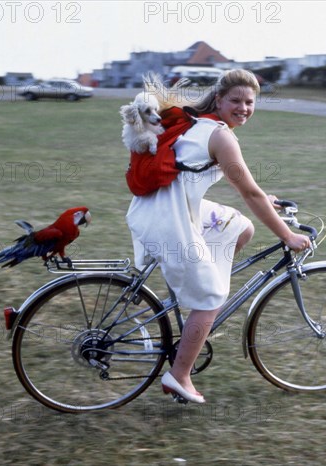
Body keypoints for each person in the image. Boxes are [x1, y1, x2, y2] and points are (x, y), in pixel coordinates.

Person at [126, 69, 310, 403]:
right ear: (220, 99)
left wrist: (263, 200)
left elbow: (247, 191)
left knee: (241, 226)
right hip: (169, 217)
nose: (243, 107)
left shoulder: (200, 124)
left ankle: (195, 294)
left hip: (158, 206)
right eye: (236, 100)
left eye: (249, 102)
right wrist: (287, 236)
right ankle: (179, 375)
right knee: (211, 298)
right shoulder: (221, 136)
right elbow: (249, 193)